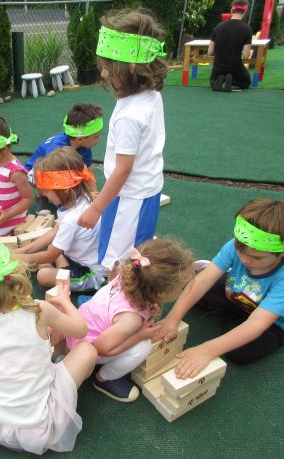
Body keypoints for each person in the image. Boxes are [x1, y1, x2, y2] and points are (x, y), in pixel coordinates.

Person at [0, 227, 97, 455]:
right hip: (37, 427)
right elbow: (81, 330)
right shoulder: (39, 311)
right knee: (87, 351)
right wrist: (65, 301)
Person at [156, 199, 284, 379]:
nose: (245, 259)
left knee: (241, 354)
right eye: (240, 251)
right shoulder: (239, 244)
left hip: (274, 323)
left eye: (257, 258)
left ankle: (229, 317)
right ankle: (231, 317)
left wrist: (206, 350)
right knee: (190, 283)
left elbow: (257, 323)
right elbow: (201, 282)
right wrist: (173, 317)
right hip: (237, 295)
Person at [78, 9, 168, 280]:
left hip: (129, 195)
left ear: (130, 67)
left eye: (107, 66)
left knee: (121, 254)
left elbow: (123, 169)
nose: (103, 73)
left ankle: (114, 296)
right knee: (135, 246)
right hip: (144, 190)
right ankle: (124, 290)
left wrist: (96, 208)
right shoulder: (149, 95)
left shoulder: (130, 114)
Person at [63, 239, 194, 402]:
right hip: (87, 347)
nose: (180, 290)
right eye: (178, 288)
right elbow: (102, 348)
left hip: (77, 328)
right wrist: (139, 336)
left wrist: (150, 305)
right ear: (160, 293)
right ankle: (104, 379)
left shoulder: (128, 276)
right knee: (143, 347)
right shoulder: (131, 319)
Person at [16, 147, 107, 292]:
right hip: (76, 256)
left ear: (63, 189)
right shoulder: (79, 197)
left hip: (89, 273)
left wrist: (17, 259)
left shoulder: (72, 218)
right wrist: (23, 251)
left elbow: (50, 254)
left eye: (46, 191)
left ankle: (60, 270)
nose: (45, 195)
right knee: (47, 251)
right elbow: (56, 230)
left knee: (43, 275)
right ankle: (60, 268)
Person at [25, 103, 102, 211]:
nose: (99, 139)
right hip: (38, 172)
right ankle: (43, 196)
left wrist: (94, 193)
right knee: (48, 182)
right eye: (96, 136)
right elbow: (45, 174)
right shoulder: (55, 149)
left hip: (60, 168)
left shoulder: (84, 146)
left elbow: (88, 172)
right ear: (80, 139)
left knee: (79, 176)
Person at [209, 0, 253, 92]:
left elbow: (210, 51)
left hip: (217, 68)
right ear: (245, 11)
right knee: (245, 82)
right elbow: (245, 55)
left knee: (214, 80)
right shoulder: (247, 29)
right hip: (235, 67)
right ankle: (231, 80)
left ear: (231, 10)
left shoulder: (218, 27)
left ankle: (220, 79)